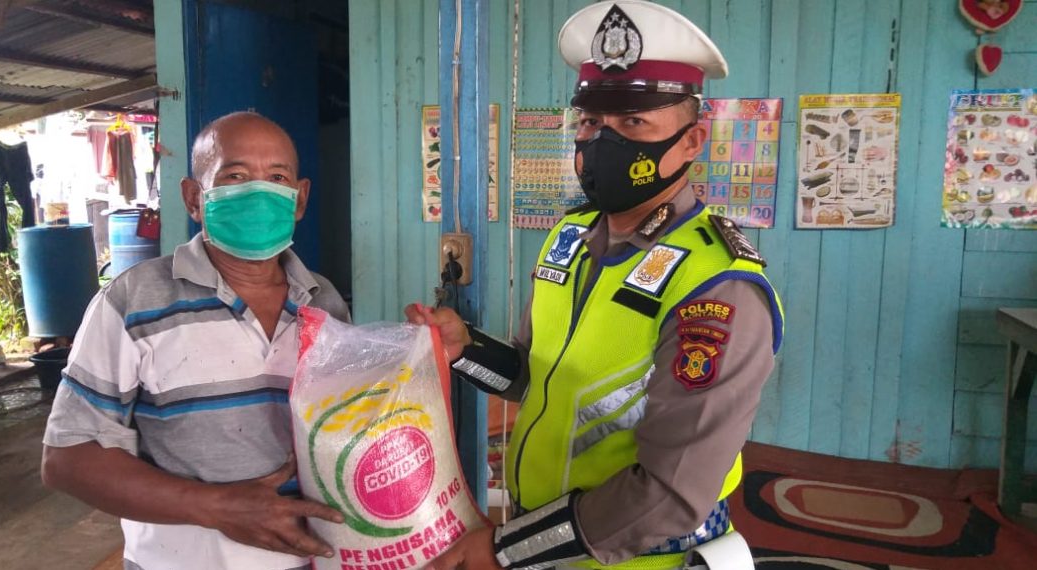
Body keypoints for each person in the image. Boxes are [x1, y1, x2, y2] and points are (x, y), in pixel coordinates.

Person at [409, 3, 784, 569]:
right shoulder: (571, 236)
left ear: (691, 140)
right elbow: (542, 379)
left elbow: (671, 493)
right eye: (591, 123)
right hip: (548, 542)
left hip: (642, 557)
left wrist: (508, 549)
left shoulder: (716, 287)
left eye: (633, 123)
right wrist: (467, 351)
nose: (601, 143)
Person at [41, 111, 350, 570]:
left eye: (277, 176)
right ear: (193, 197)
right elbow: (66, 459)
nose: (258, 191)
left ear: (299, 198)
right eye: (236, 175)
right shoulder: (132, 300)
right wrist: (217, 507)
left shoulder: (325, 303)